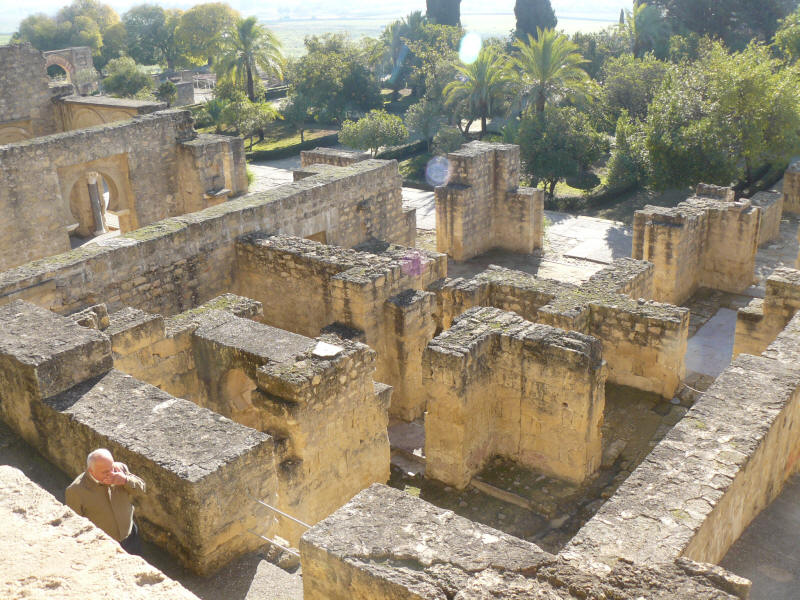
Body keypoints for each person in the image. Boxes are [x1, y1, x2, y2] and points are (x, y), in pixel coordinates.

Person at [65, 448, 146, 555]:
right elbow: (74, 524)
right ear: (91, 471)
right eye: (105, 472)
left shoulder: (119, 469)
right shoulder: (76, 490)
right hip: (103, 545)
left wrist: (125, 480)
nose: (111, 473)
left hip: (130, 537)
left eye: (111, 468)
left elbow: (141, 489)